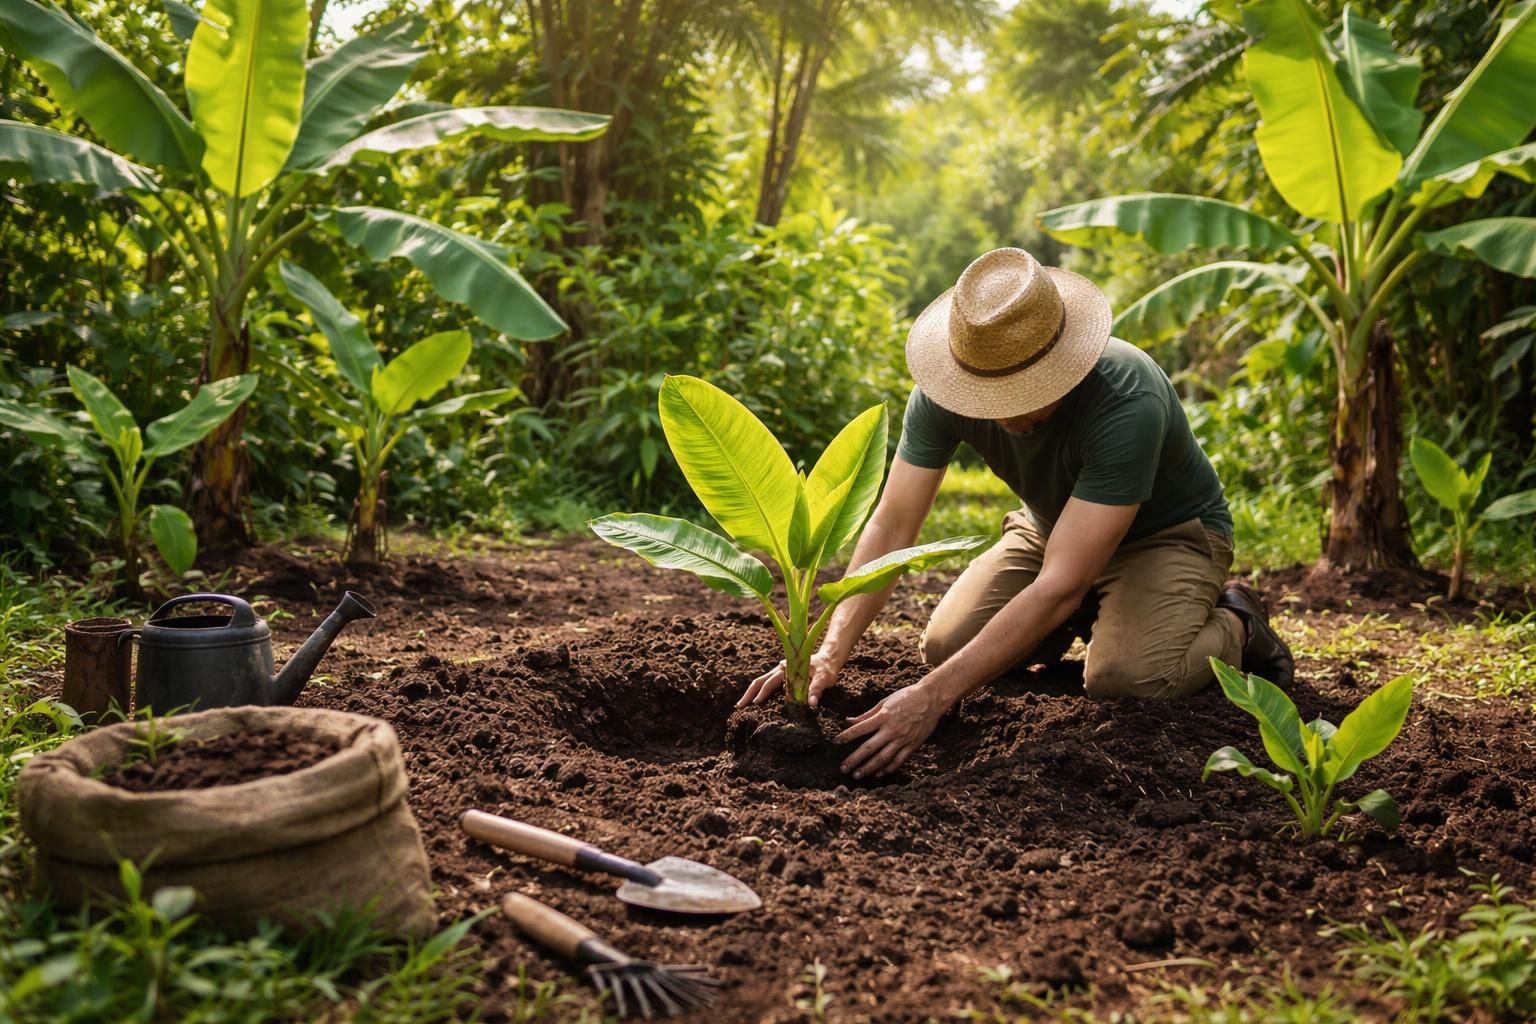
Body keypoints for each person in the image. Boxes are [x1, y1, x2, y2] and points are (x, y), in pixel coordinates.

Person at [736, 247, 1294, 779]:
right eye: (986, 393)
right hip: (1049, 529)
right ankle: (1083, 621)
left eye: (1023, 391)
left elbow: (1061, 582)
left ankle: (1239, 625)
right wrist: (827, 654)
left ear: (1064, 362)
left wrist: (931, 697)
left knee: (1127, 681)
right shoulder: (943, 392)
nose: (1002, 411)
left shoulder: (1127, 398)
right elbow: (892, 523)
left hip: (1166, 538)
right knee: (945, 647)